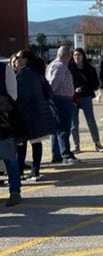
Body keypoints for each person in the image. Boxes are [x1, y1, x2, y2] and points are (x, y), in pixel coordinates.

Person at [15, 50, 57, 181]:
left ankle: (20, 171)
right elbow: (48, 91)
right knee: (36, 142)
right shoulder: (37, 73)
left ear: (25, 59)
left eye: (18, 57)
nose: (16, 59)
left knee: (21, 144)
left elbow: (22, 96)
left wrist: (16, 111)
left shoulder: (23, 74)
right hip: (40, 113)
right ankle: (35, 170)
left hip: (27, 114)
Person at [46, 45, 78, 164]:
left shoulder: (54, 65)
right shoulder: (59, 66)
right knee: (63, 128)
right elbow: (54, 83)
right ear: (67, 55)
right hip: (61, 99)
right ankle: (65, 154)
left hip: (61, 99)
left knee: (57, 128)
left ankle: (57, 154)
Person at [69, 48, 103, 153]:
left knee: (91, 121)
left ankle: (97, 143)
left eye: (79, 55)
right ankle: (76, 145)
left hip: (86, 96)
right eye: (75, 55)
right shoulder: (69, 68)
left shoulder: (89, 69)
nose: (77, 57)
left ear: (83, 56)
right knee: (74, 123)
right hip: (73, 97)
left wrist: (83, 88)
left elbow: (95, 84)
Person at [0, 58, 22, 206]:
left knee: (9, 157)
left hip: (3, 120)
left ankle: (15, 191)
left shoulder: (5, 69)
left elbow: (13, 96)